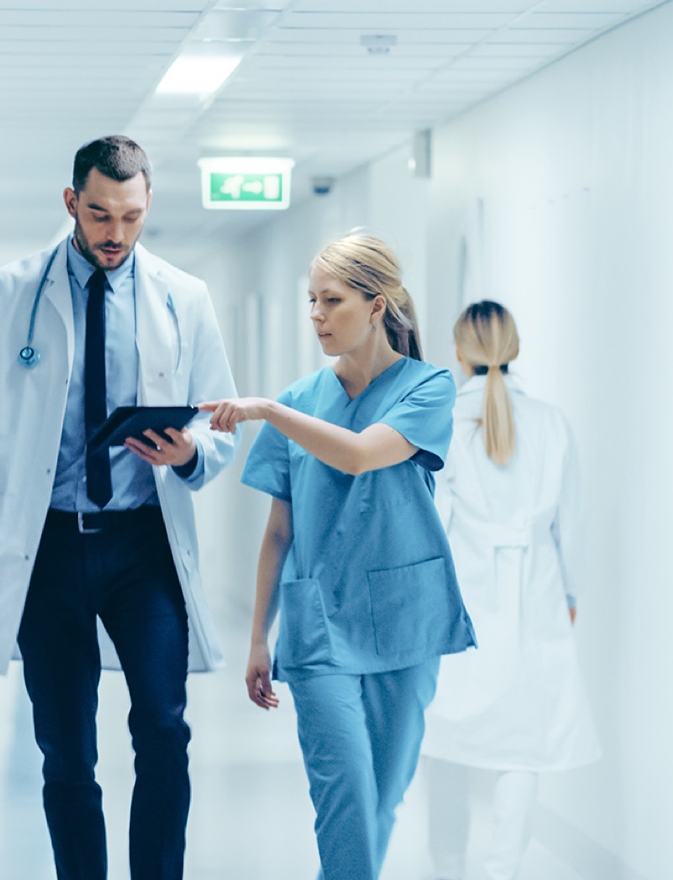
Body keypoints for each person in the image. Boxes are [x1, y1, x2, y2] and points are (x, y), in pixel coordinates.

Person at [0, 135, 239, 880]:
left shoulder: (183, 298)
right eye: (100, 215)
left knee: (164, 729)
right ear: (71, 203)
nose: (115, 234)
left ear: (147, 206)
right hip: (49, 550)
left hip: (143, 546)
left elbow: (219, 420)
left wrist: (191, 452)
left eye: (130, 217)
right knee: (66, 750)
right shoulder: (8, 295)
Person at [200, 233, 475, 880]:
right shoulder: (300, 402)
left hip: (408, 622)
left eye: (332, 300)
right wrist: (258, 639)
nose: (317, 315)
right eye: (311, 301)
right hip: (318, 624)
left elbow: (357, 453)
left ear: (377, 306)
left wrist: (265, 410)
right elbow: (277, 533)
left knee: (382, 798)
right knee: (344, 802)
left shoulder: (429, 388)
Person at [419, 300, 601, 880]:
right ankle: (504, 867)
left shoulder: (443, 420)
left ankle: (447, 862)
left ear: (459, 351)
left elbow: (432, 523)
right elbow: (569, 525)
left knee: (446, 733)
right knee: (526, 740)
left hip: (461, 601)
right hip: (536, 595)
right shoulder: (551, 422)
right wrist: (568, 598)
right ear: (513, 347)